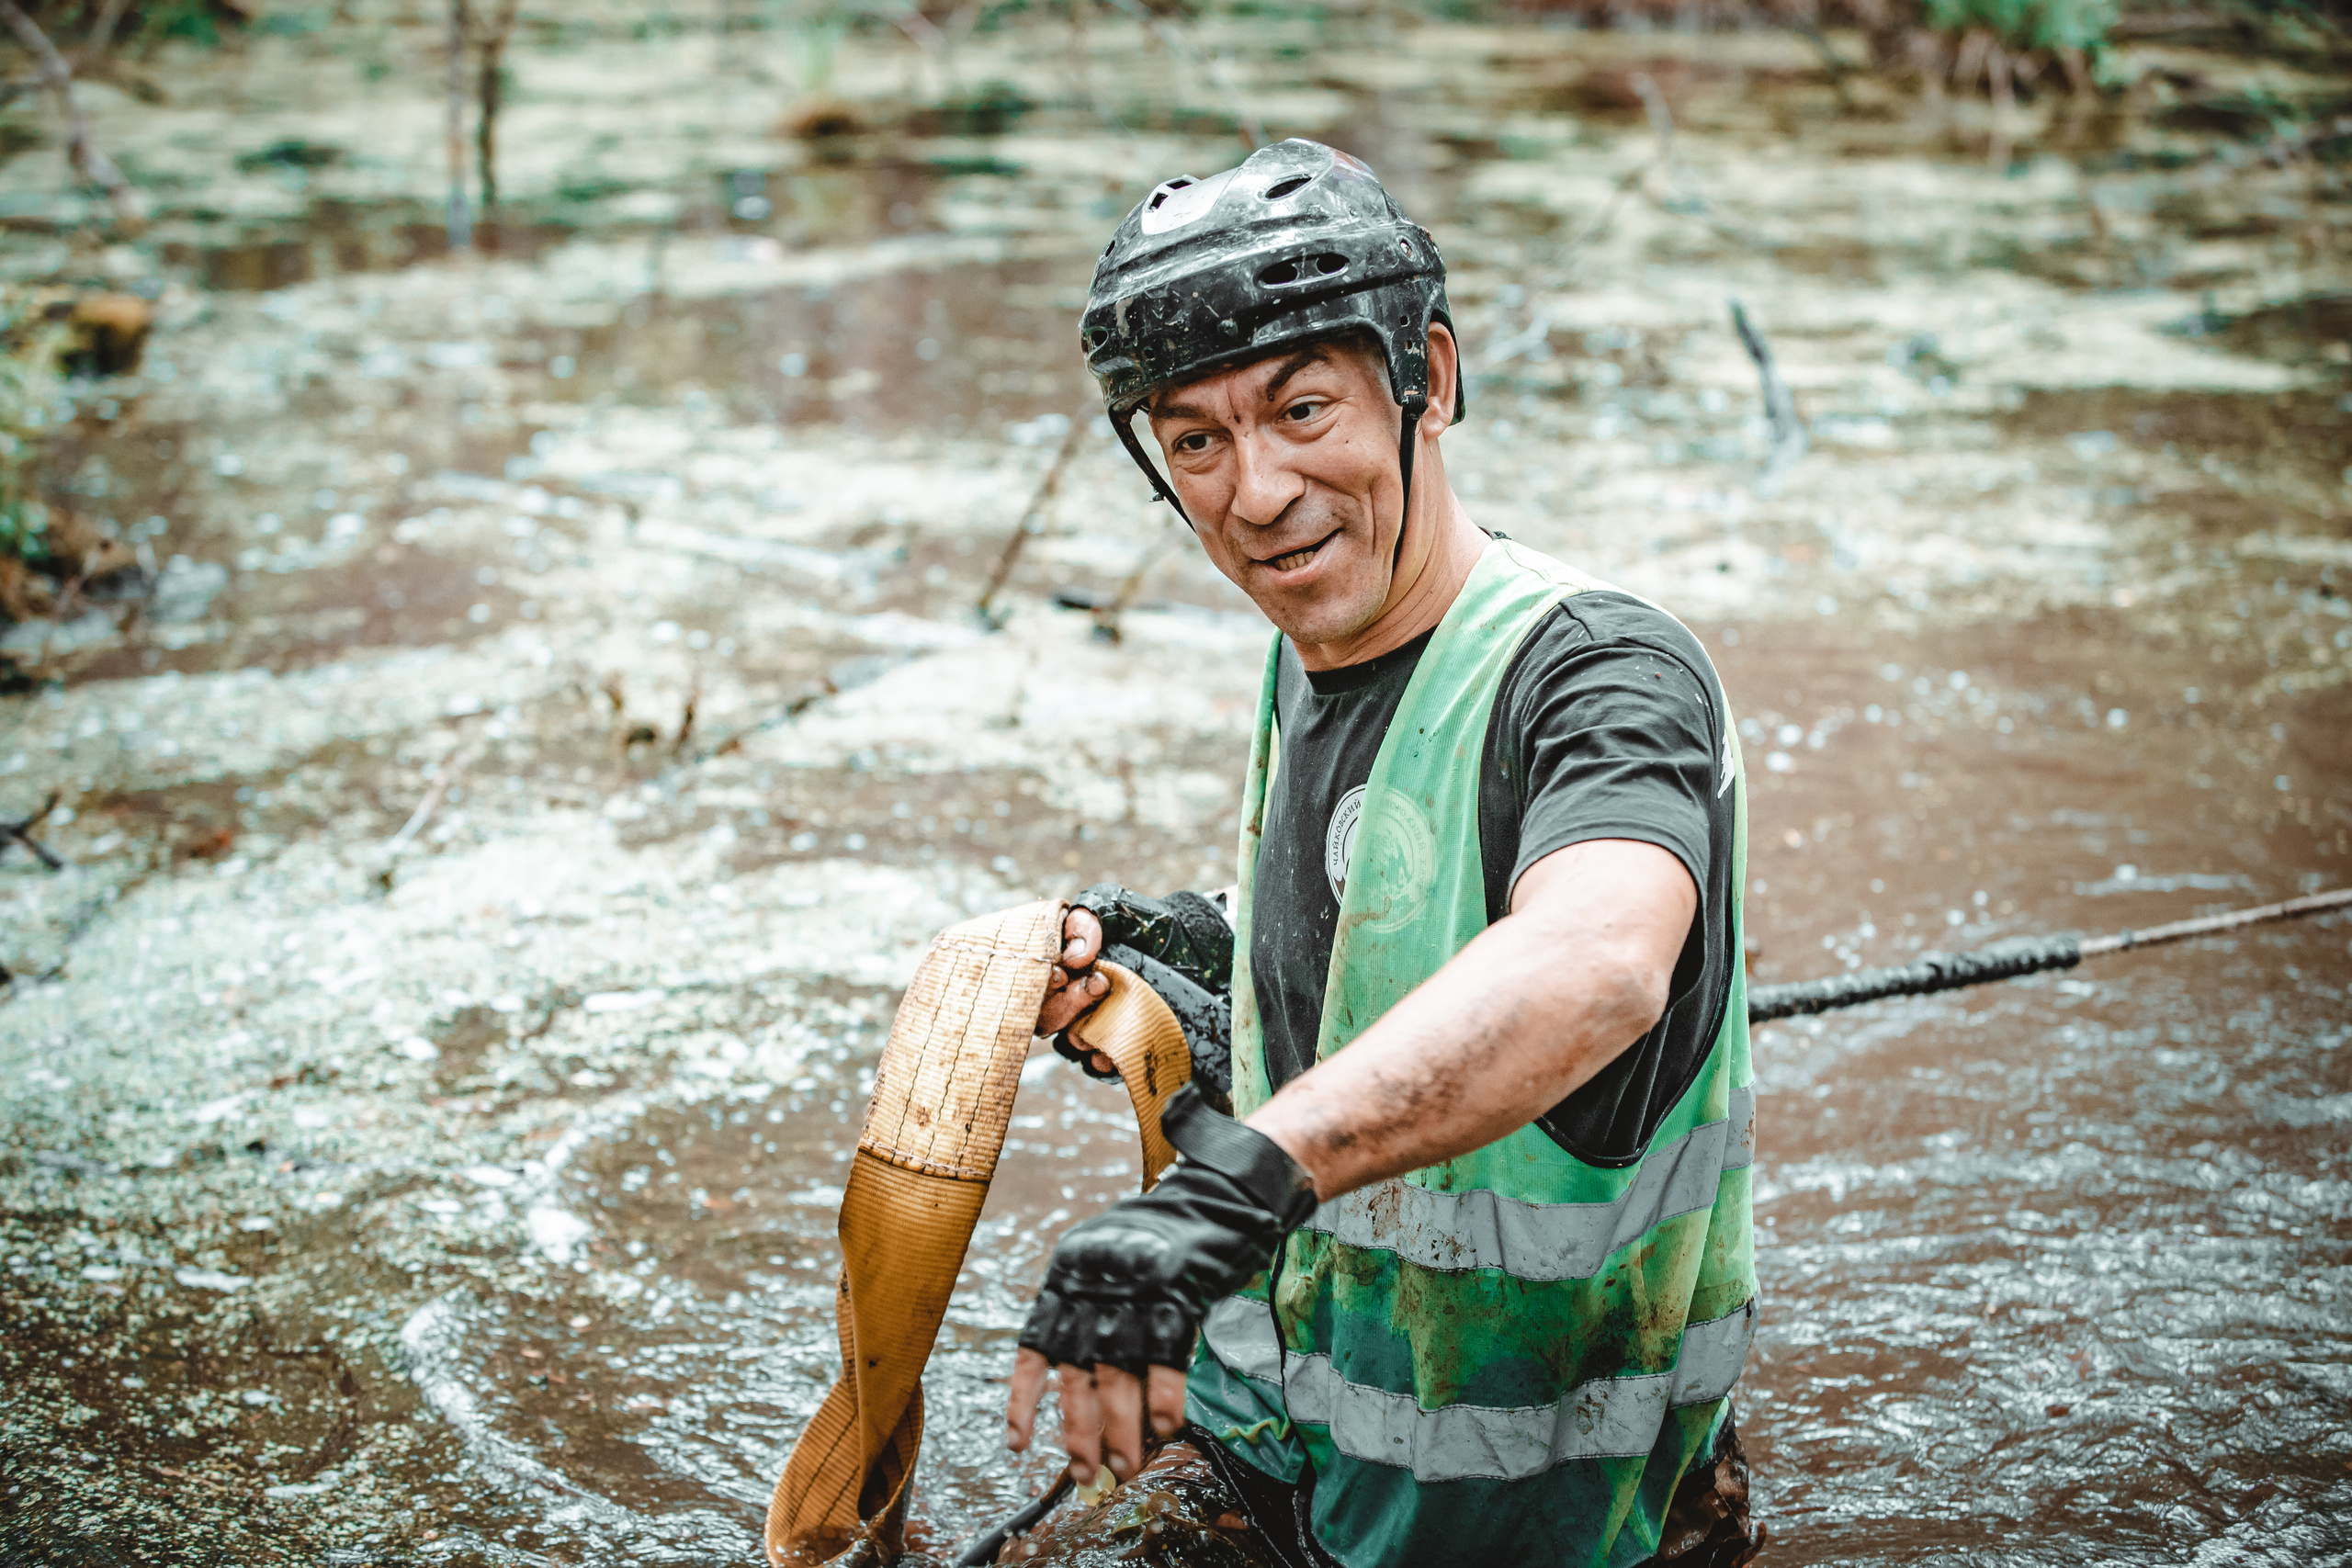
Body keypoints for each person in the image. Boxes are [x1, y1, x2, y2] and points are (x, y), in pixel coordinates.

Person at [999, 137, 1759, 1568]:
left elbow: (1598, 959)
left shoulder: (1605, 675)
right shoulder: (1311, 651)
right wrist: (1205, 960)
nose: (1257, 492)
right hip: (1296, 1456)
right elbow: (1393, 917)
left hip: (1549, 1523)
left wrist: (1236, 1181)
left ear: (1432, 381)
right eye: (1196, 441)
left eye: (1303, 410)